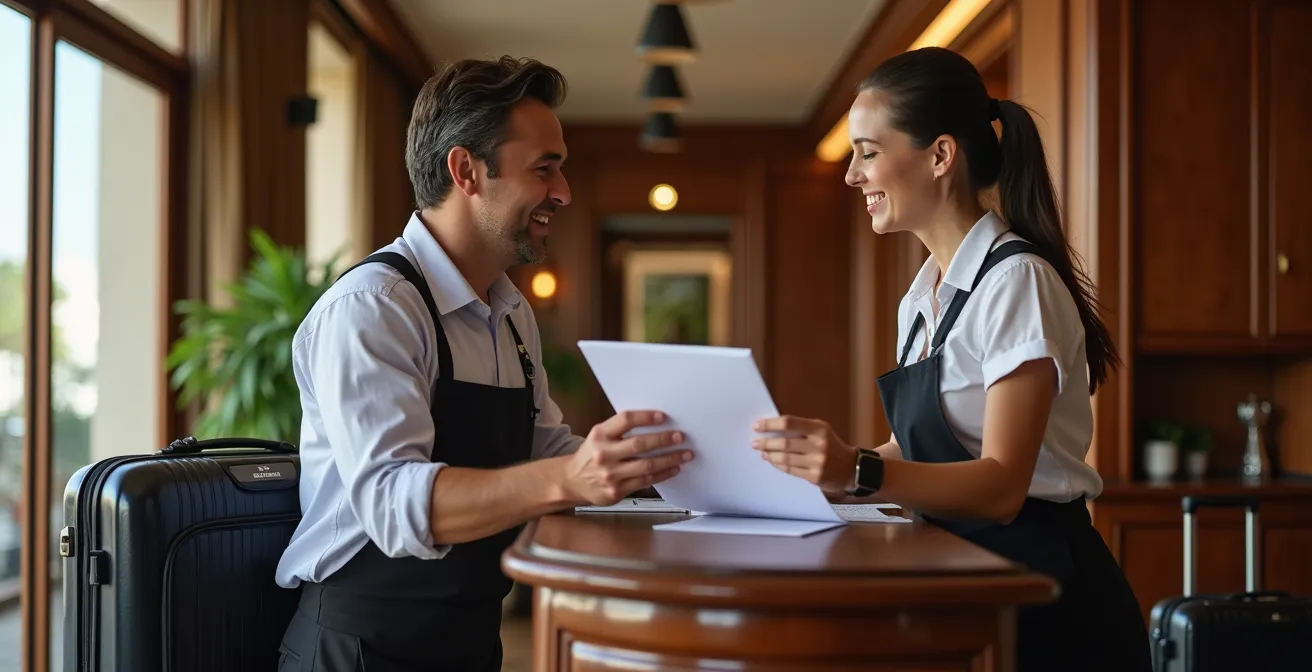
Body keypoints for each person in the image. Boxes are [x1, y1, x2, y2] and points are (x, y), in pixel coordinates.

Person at [273, 56, 693, 672]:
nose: (563, 192)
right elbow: (393, 504)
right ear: (466, 170)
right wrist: (572, 477)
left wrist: (678, 466)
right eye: (544, 169)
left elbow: (545, 447)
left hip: (468, 641)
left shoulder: (511, 311)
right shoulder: (374, 308)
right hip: (357, 648)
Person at [751, 47, 1153, 671]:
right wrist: (816, 473)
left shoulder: (1018, 279)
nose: (853, 175)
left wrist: (858, 470)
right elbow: (918, 450)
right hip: (966, 578)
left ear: (940, 155)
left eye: (869, 151)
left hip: (1047, 601)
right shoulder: (922, 297)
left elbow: (999, 486)